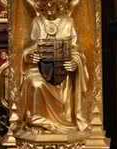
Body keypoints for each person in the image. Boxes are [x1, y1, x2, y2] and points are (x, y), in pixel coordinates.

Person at [16, 0, 89, 133]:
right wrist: (31, 57)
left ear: (59, 5)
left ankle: (64, 121)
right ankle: (38, 122)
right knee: (35, 82)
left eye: (52, 5)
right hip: (39, 69)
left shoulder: (68, 22)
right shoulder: (37, 22)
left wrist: (74, 62)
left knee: (61, 80)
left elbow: (77, 51)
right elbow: (28, 50)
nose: (49, 9)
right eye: (46, 5)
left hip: (62, 71)